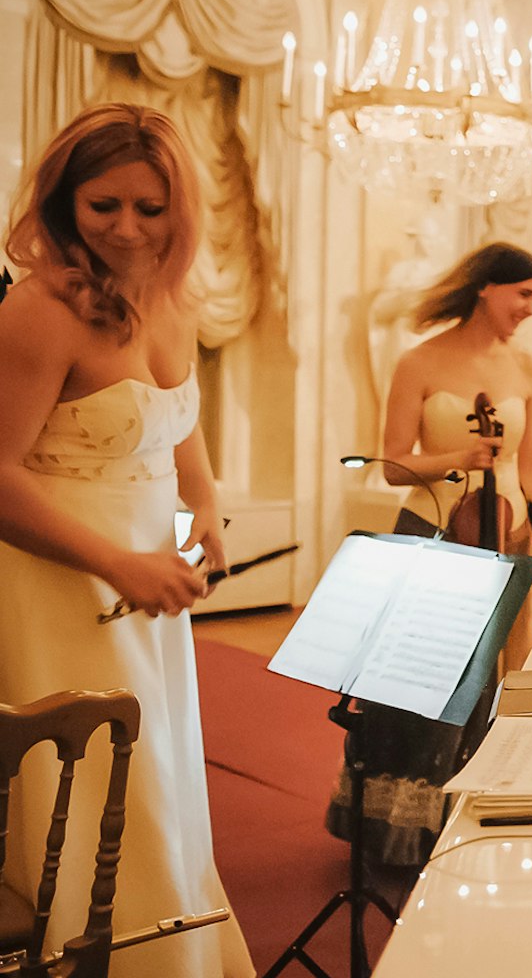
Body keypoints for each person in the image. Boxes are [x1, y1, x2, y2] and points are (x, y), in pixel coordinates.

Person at [0, 103, 254, 974]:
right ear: (63, 200)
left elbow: (181, 439)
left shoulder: (173, 305)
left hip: (148, 592)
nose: (126, 229)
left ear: (181, 211)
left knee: (162, 777)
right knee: (111, 795)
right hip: (59, 587)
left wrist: (205, 514)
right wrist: (118, 562)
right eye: (103, 205)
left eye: (150, 209)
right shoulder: (41, 310)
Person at [331, 241, 532, 867]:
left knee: (503, 681)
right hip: (436, 536)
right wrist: (457, 458)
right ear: (485, 289)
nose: (531, 308)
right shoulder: (420, 362)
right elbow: (392, 465)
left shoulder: (527, 369)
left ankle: (487, 810)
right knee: (429, 690)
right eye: (523, 294)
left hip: (511, 539)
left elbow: (531, 467)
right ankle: (409, 833)